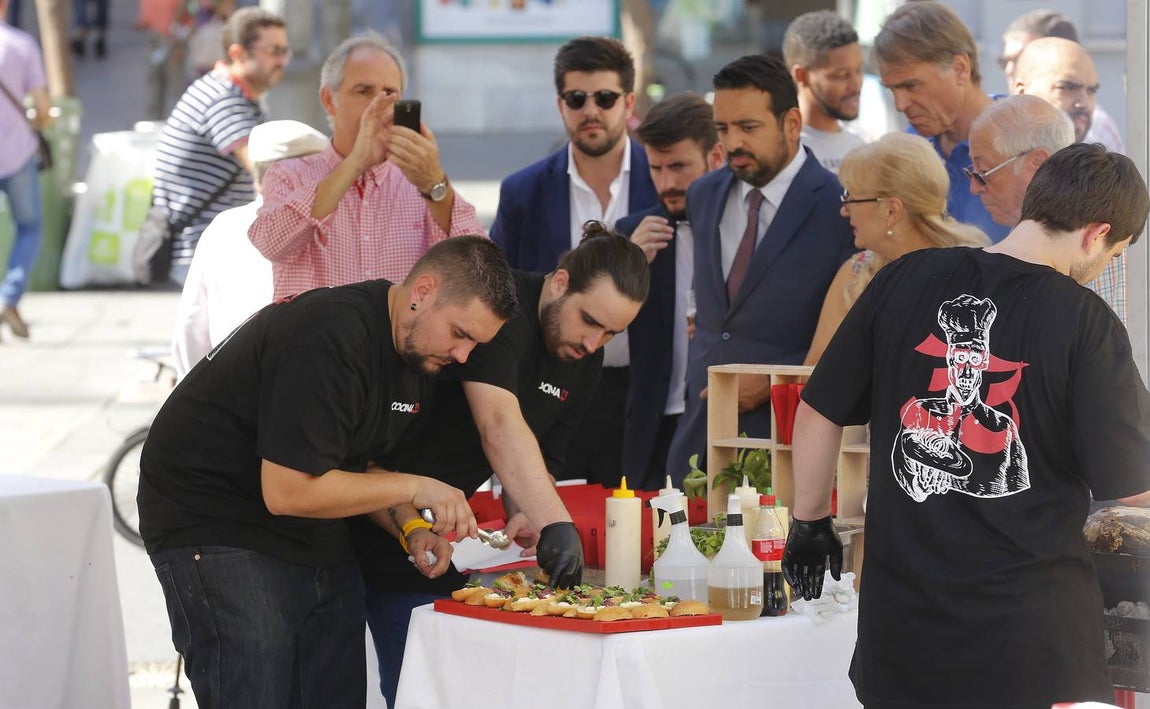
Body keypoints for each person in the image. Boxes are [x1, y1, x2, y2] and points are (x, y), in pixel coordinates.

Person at [782, 142, 1150, 708]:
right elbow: (1135, 483)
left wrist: (809, 522)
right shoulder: (1083, 319)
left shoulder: (901, 278)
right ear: (1096, 234)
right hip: (1027, 644)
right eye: (1114, 253)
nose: (1106, 267)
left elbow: (818, 409)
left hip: (902, 637)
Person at [139, 236, 518, 707]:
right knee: (257, 689)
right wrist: (417, 486)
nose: (462, 355)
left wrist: (411, 528)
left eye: (475, 343)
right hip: (215, 515)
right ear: (423, 290)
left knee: (334, 691)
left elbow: (359, 463)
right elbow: (288, 491)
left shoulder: (416, 351)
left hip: (306, 524)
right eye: (459, 333)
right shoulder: (332, 333)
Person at [356, 223, 649, 706]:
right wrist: (556, 522)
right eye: (589, 321)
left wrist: (526, 510)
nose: (594, 343)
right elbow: (498, 422)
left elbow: (542, 455)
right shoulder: (503, 312)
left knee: (449, 690)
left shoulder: (585, 359)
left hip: (437, 541)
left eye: (611, 333)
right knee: (391, 687)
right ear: (560, 282)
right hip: (373, 503)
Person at [664, 54, 855, 481]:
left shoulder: (839, 207)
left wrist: (773, 383)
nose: (732, 143)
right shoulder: (703, 194)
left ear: (792, 123)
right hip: (698, 436)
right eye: (722, 128)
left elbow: (849, 337)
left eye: (748, 127)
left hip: (787, 443)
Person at [489, 35, 658, 486]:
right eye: (577, 99)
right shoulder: (524, 191)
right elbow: (498, 292)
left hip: (643, 394)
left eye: (605, 98)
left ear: (628, 102)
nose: (591, 111)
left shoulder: (664, 180)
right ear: (560, 104)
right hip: (549, 387)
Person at [249, 33, 482, 300]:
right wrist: (354, 164)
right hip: (319, 328)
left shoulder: (418, 180)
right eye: (363, 91)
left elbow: (477, 272)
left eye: (389, 93)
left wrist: (435, 184)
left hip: (395, 329)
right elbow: (271, 244)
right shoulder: (290, 173)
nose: (378, 105)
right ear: (329, 100)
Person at [804, 133, 988, 365]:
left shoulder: (976, 270)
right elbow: (813, 372)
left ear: (891, 210)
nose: (844, 210)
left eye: (850, 198)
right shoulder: (855, 273)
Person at [616, 93, 723, 490]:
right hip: (651, 430)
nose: (667, 184)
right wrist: (629, 263)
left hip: (723, 420)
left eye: (678, 166)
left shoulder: (742, 230)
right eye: (656, 168)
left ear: (715, 157)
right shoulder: (632, 233)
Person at [171, 119, 328, 380]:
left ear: (257, 178)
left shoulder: (224, 227)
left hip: (231, 385)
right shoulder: (339, 224)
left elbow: (192, 328)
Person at [149, 6, 288, 285]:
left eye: (285, 51)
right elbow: (266, 171)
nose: (282, 60)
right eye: (273, 51)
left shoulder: (232, 93)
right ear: (238, 54)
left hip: (208, 247)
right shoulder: (224, 98)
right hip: (201, 250)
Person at [873, 1, 1008, 243]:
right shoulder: (907, 150)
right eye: (892, 89)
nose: (900, 104)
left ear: (960, 68)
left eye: (911, 85)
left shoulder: (1021, 139)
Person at [999, 9, 1124, 153]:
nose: (1009, 69)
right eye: (1005, 61)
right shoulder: (996, 133)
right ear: (1022, 90)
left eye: (1020, 58)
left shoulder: (1094, 135)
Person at [0, 0, 52, 340]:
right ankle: (9, 297)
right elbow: (43, 107)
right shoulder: (20, 45)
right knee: (29, 227)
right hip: (16, 150)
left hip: (17, 150)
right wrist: (39, 120)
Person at [967, 95, 1074, 230]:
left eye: (984, 172)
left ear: (1039, 164)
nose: (974, 188)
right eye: (972, 173)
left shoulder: (1086, 238)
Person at [781, 11, 865, 174]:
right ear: (801, 75)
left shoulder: (862, 149)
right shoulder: (780, 151)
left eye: (858, 70)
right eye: (841, 75)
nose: (856, 85)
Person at [1011, 37, 1099, 145]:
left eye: (1092, 90)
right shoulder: (994, 148)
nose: (1084, 103)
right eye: (1068, 88)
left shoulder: (1096, 148)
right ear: (1022, 92)